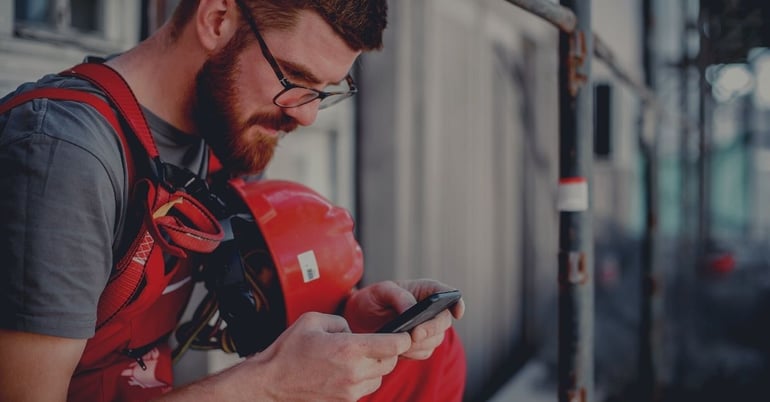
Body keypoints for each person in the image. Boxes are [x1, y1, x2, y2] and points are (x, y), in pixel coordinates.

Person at [0, 0, 467, 401]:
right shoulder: (66, 155)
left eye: (323, 92)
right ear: (218, 18)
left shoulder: (221, 136)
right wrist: (267, 384)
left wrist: (350, 320)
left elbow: (241, 312)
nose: (306, 116)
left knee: (419, 360)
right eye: (294, 79)